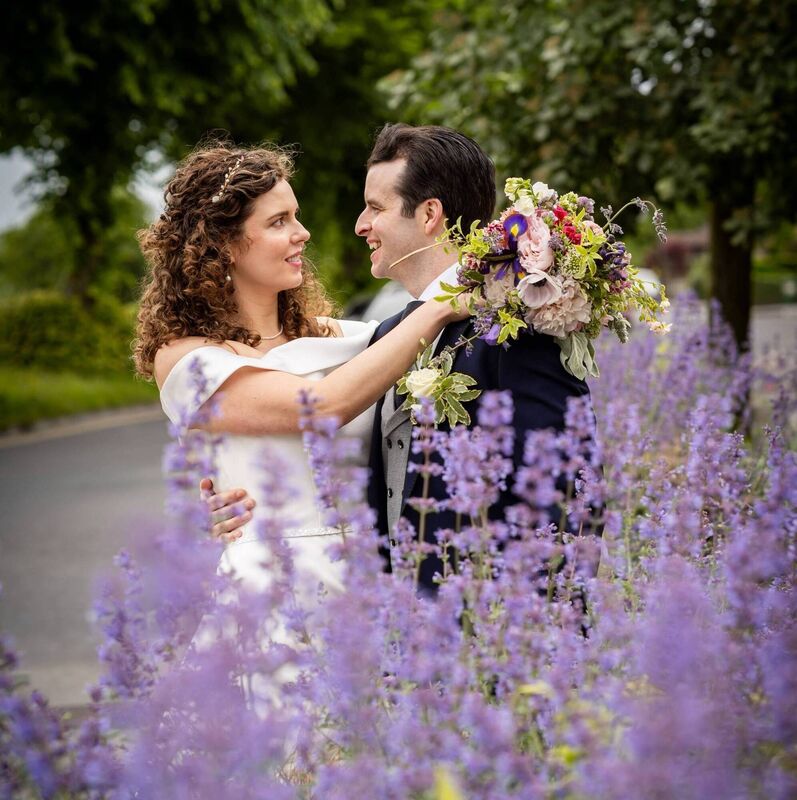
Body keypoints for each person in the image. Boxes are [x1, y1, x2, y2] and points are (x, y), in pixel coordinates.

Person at [208, 124, 597, 595]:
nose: (360, 225)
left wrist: (527, 640)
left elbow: (569, 498)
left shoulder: (514, 328)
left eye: (375, 207)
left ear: (429, 213)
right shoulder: (385, 337)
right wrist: (234, 492)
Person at [134, 141, 467, 599]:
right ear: (224, 244)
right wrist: (437, 310)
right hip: (275, 588)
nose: (302, 232)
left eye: (296, 215)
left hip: (374, 584)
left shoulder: (340, 339)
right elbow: (322, 405)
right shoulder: (185, 357)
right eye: (278, 222)